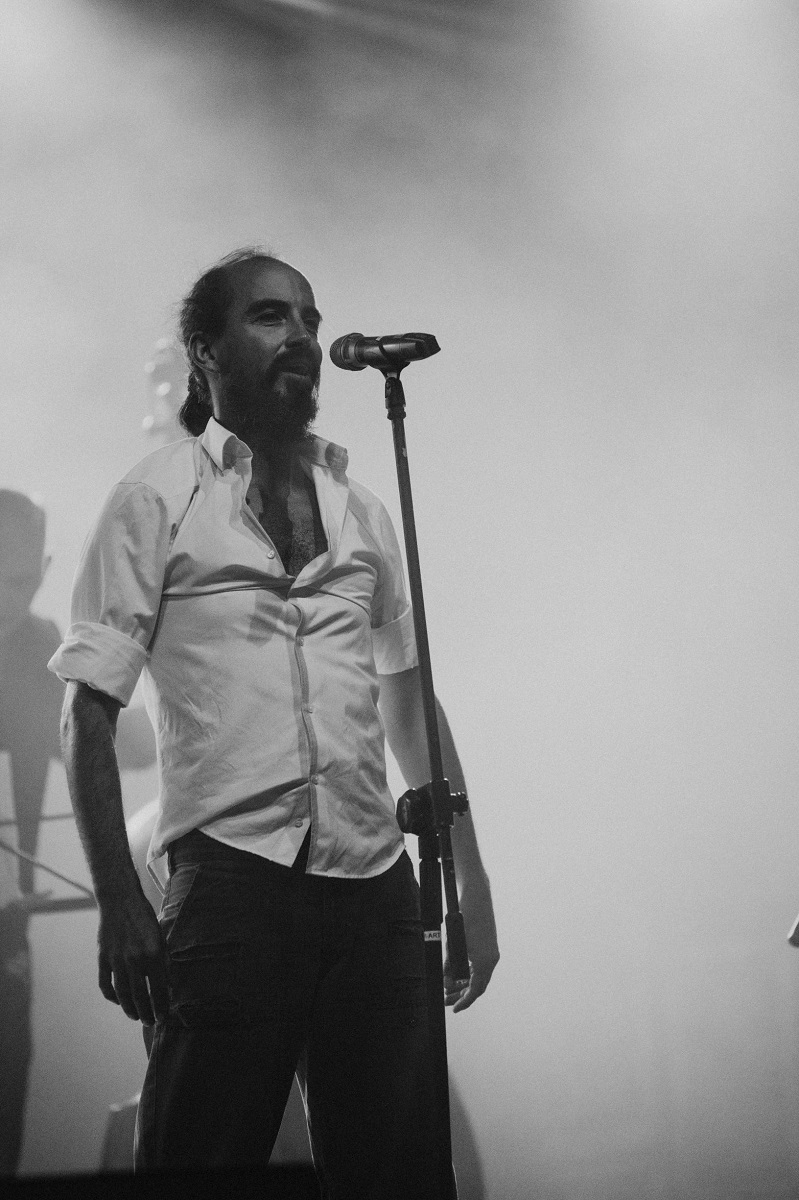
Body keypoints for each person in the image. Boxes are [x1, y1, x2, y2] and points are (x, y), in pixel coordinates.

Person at [50, 248, 499, 1197]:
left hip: (375, 883)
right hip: (232, 882)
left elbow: (408, 695)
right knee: (201, 1159)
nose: (298, 334)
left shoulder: (360, 509)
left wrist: (466, 877)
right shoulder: (155, 497)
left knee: (402, 1175)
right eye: (268, 316)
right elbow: (87, 711)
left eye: (306, 317)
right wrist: (119, 903)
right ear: (204, 350)